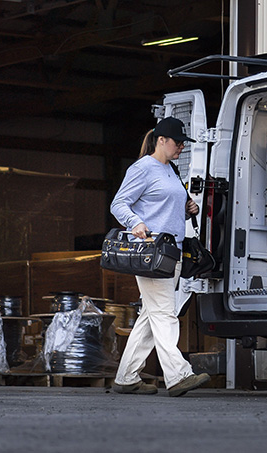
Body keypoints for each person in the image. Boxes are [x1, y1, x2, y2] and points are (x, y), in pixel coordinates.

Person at [109, 117, 211, 396]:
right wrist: (135, 223)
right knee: (165, 313)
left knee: (151, 316)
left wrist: (188, 207)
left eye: (183, 143)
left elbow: (165, 206)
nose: (181, 147)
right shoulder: (142, 168)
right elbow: (119, 204)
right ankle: (178, 375)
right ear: (161, 140)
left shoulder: (172, 170)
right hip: (150, 252)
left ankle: (126, 377)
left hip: (172, 250)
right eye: (178, 143)